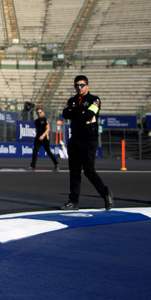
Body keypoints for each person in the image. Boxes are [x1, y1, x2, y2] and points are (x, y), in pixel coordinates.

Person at [59, 75, 113, 211]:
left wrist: (75, 112)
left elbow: (89, 115)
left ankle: (106, 193)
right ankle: (73, 201)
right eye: (77, 85)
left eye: (82, 85)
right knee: (74, 172)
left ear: (87, 86)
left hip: (89, 139)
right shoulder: (71, 100)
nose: (79, 88)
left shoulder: (94, 100)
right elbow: (65, 114)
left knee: (89, 171)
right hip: (75, 139)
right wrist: (80, 112)